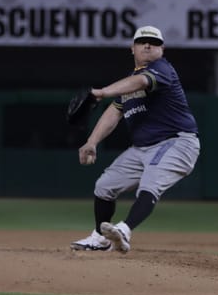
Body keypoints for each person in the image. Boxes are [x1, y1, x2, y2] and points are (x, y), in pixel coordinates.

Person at [71, 26, 200, 253]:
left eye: (154, 42)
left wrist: (100, 92)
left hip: (176, 142)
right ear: (132, 48)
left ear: (162, 49)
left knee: (150, 183)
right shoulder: (128, 82)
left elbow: (142, 82)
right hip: (142, 149)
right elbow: (114, 112)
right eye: (142, 42)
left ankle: (124, 230)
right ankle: (100, 238)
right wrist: (92, 141)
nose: (147, 45)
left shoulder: (162, 69)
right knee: (104, 186)